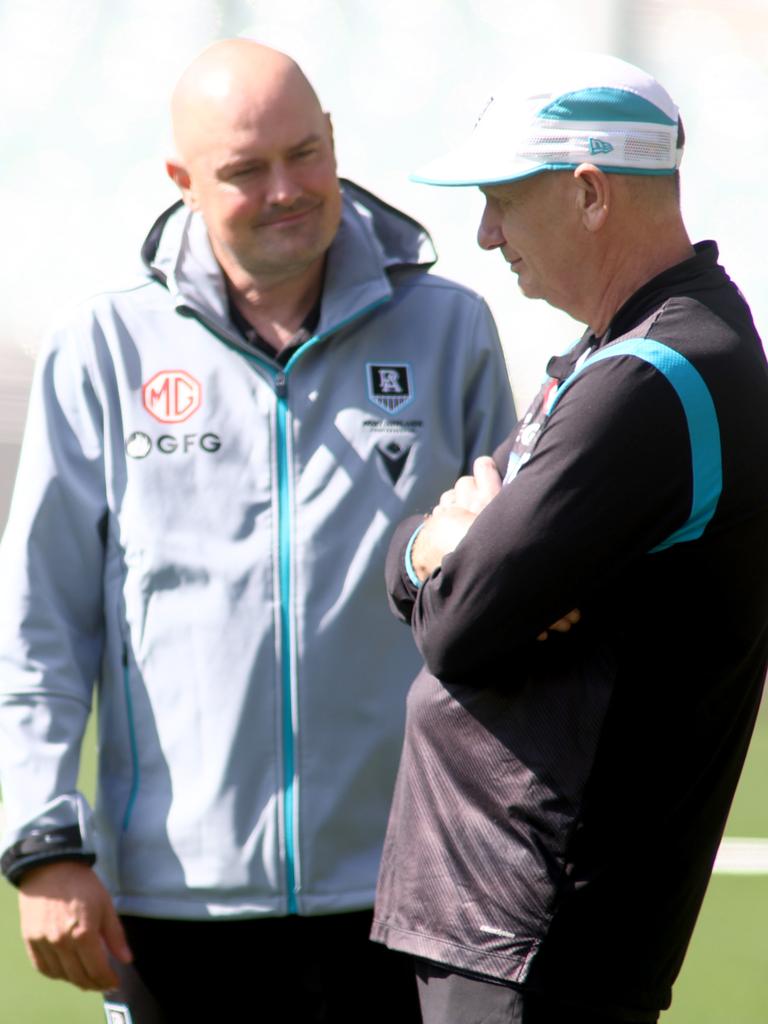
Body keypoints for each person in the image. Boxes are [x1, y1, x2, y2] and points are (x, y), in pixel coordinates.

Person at [0, 39, 515, 1022]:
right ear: (181, 181)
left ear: (333, 140)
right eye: (245, 169)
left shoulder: (451, 329)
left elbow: (509, 603)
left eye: (306, 152)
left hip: (410, 890)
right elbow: (41, 623)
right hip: (170, 906)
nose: (288, 189)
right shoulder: (101, 351)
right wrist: (46, 844)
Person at [372, 53, 768, 1024]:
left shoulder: (655, 378)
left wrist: (452, 558)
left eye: (504, 198)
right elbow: (414, 565)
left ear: (591, 194)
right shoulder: (622, 354)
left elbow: (457, 626)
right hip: (506, 933)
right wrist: (436, 547)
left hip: (537, 943)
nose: (485, 232)